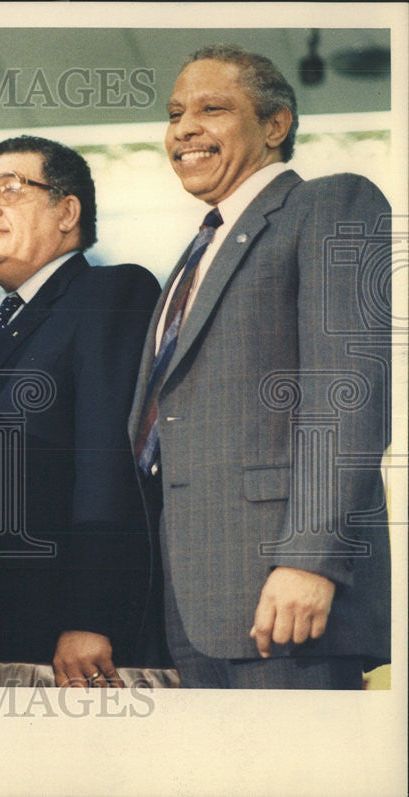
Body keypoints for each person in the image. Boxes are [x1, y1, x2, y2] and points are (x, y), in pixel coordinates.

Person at [128, 45, 391, 688]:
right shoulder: (191, 259)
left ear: (275, 126)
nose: (184, 128)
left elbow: (346, 393)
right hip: (195, 605)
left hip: (287, 597)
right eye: (174, 113)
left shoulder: (331, 204)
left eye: (212, 108)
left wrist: (311, 560)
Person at [0, 135, 170, 688]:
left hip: (61, 639)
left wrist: (91, 616)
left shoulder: (108, 293)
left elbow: (106, 462)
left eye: (9, 189)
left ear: (67, 212)